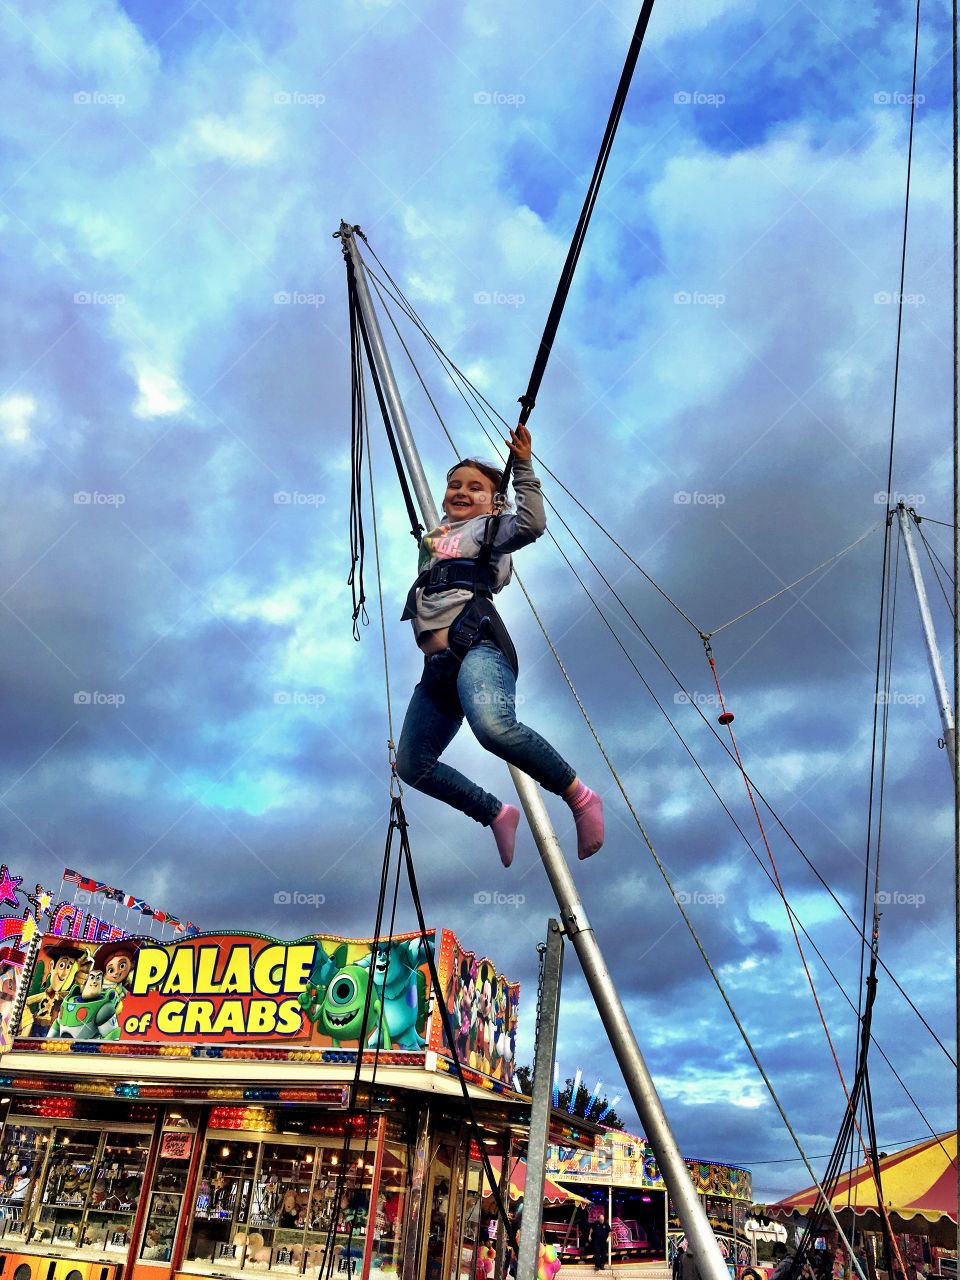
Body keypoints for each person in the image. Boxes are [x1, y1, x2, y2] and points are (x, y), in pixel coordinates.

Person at [395, 425, 604, 867]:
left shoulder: (490, 529)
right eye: (454, 484)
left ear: (495, 502)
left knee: (492, 728)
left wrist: (523, 467)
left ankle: (580, 796)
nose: (461, 491)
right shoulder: (434, 540)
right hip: (437, 670)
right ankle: (494, 812)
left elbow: (532, 524)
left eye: (475, 487)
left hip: (478, 646)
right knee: (412, 765)